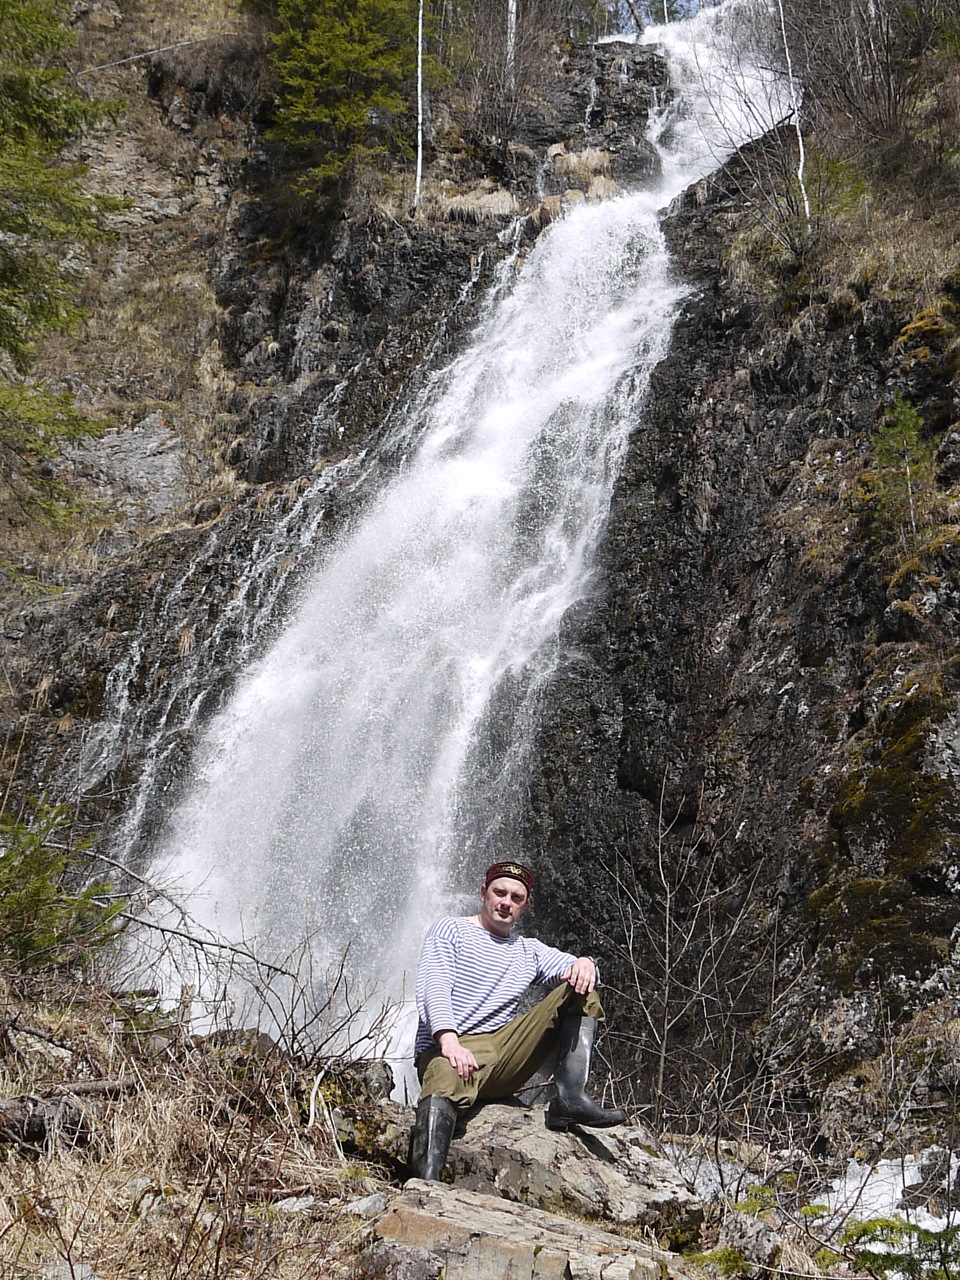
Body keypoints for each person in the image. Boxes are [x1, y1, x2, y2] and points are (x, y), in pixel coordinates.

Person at [410, 859, 626, 1180]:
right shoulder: (451, 930)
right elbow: (434, 985)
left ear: (525, 906)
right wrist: (448, 1040)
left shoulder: (528, 950)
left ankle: (569, 1099)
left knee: (581, 987)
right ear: (484, 893)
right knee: (443, 1076)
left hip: (505, 1052)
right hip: (453, 1049)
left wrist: (585, 962)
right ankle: (424, 1182)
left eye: (516, 898)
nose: (506, 903)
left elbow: (575, 968)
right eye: (500, 893)